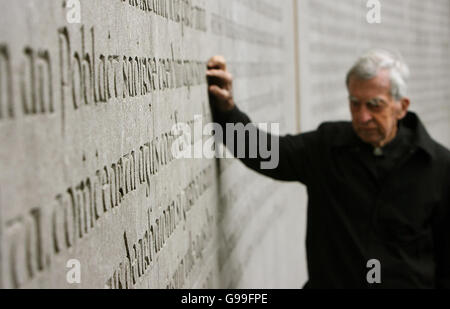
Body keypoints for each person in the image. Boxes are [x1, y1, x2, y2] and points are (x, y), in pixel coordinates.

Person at [206, 50, 450, 289]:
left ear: (402, 106)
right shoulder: (328, 147)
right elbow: (266, 153)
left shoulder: (438, 166)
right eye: (355, 103)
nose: (362, 116)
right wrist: (227, 110)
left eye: (375, 105)